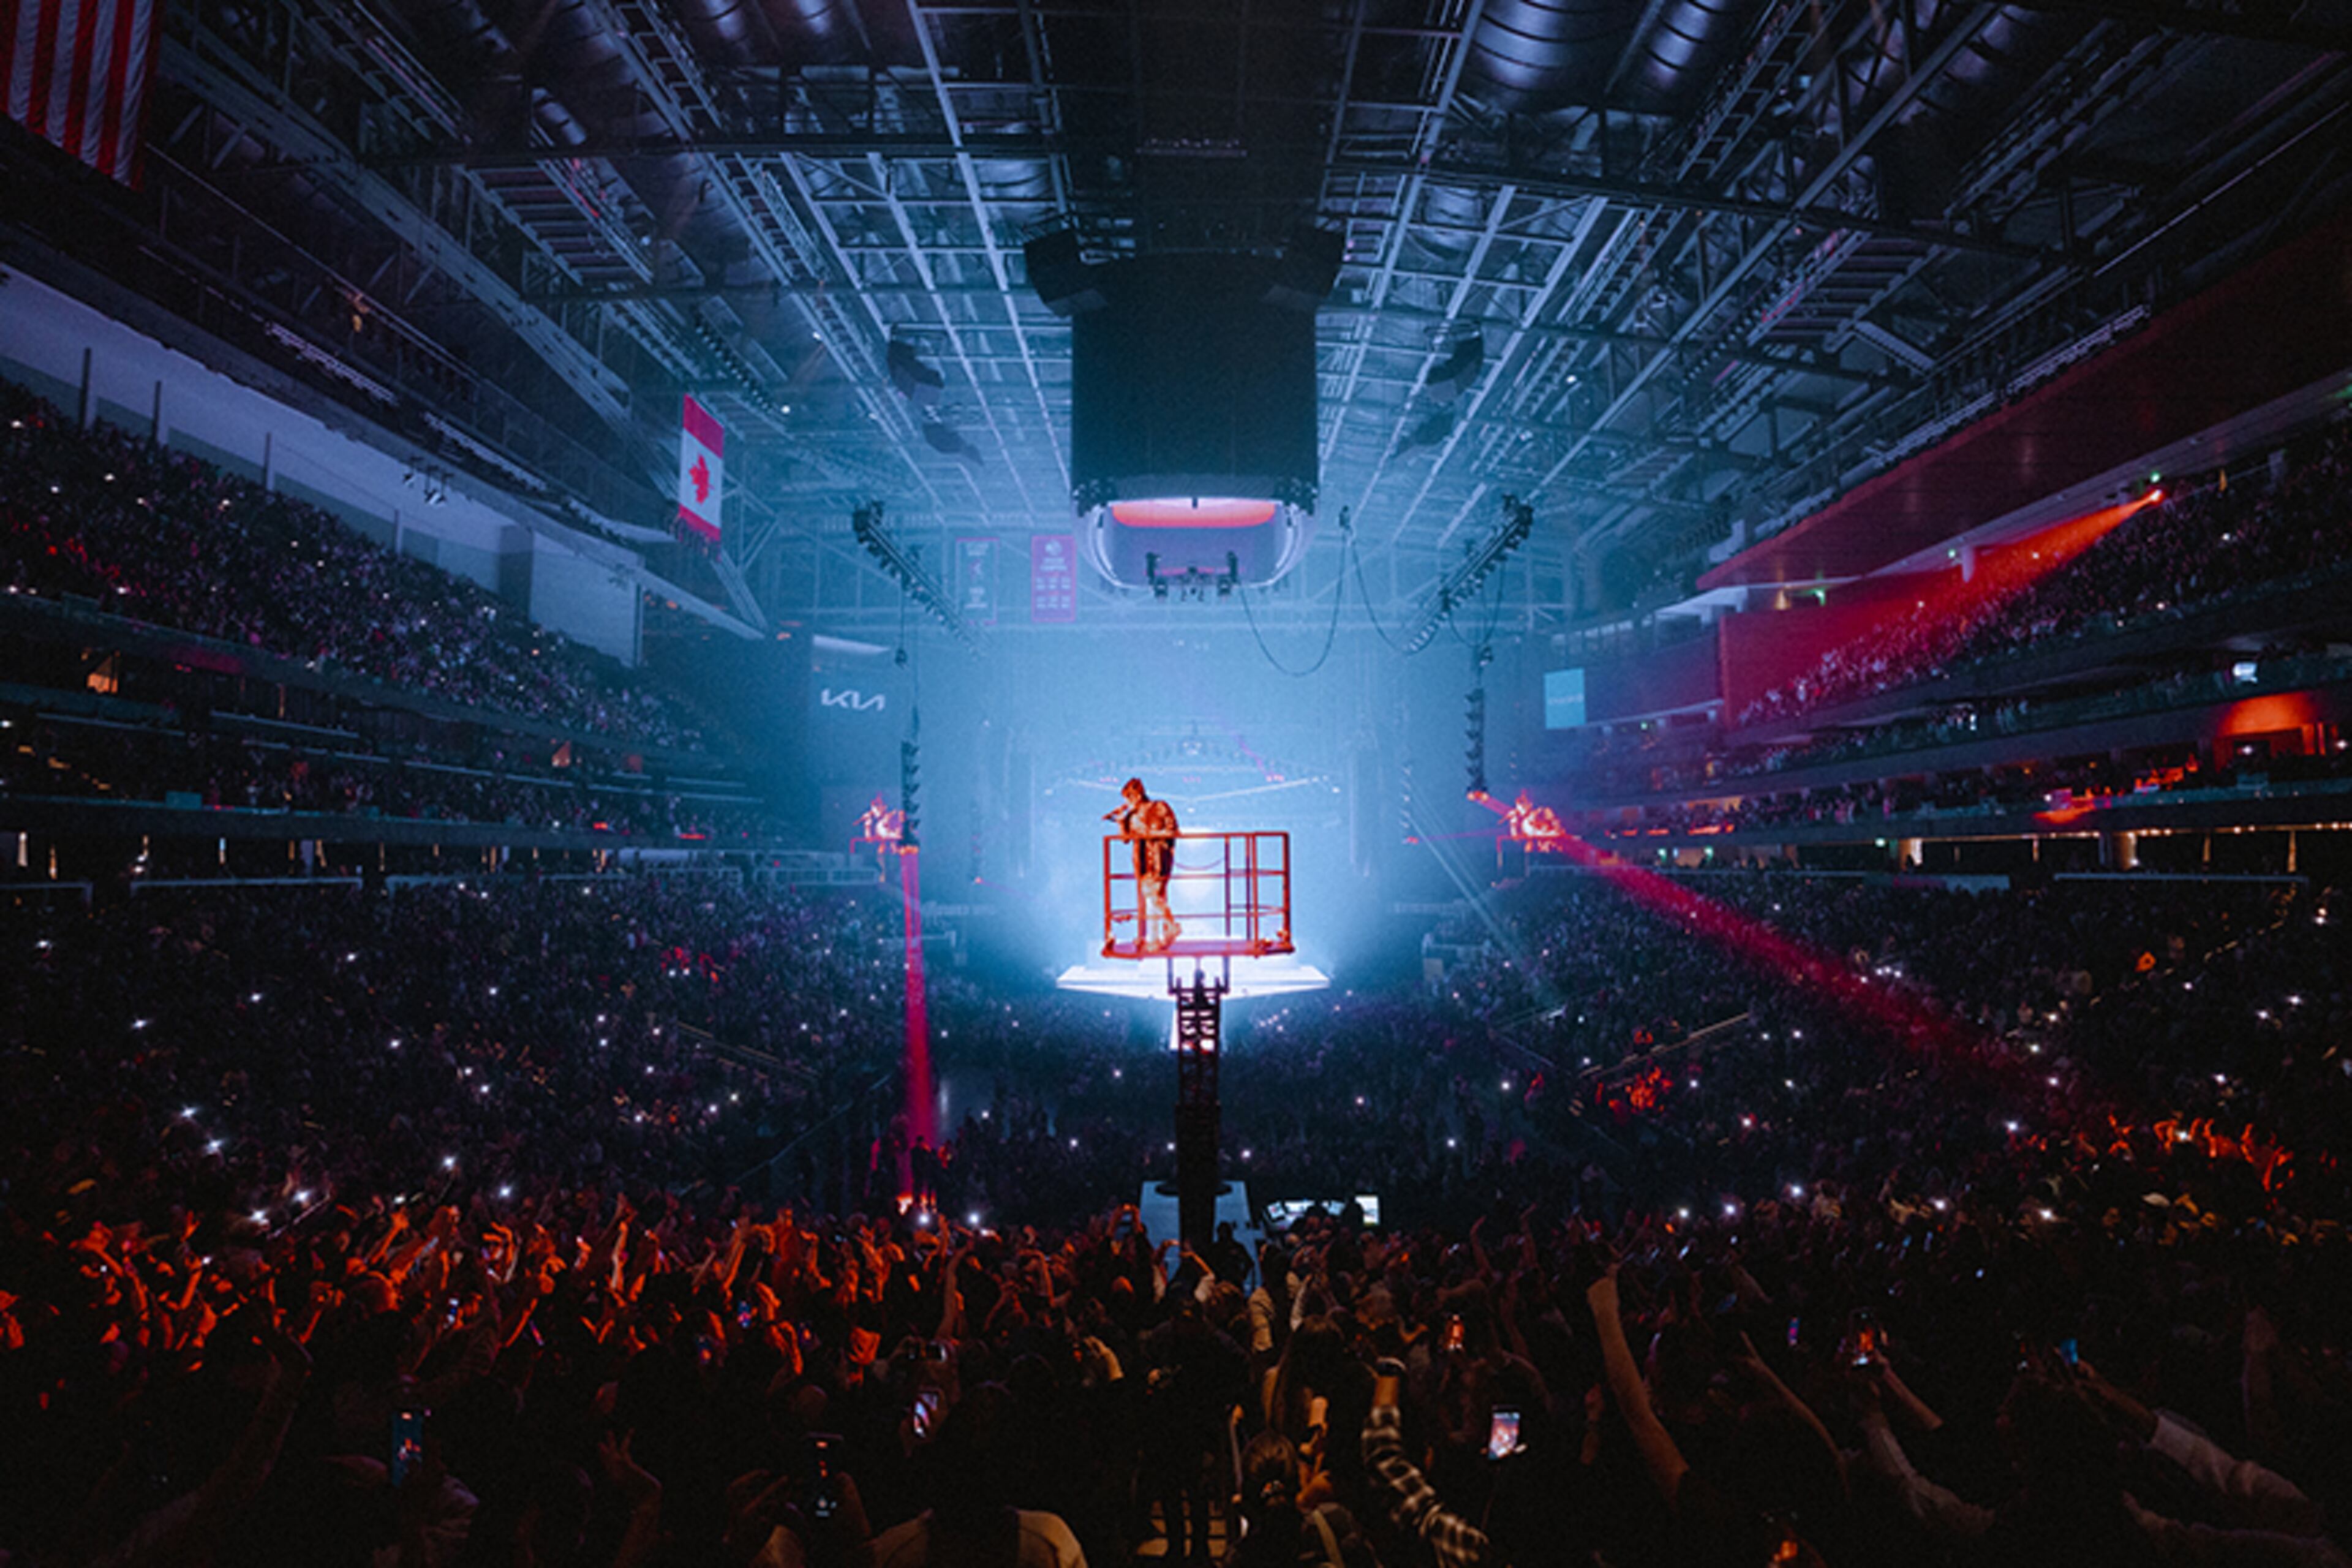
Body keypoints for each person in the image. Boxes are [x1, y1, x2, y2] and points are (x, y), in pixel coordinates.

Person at [1106, 777, 1182, 952]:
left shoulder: (1160, 807)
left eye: (1129, 798)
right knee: (1151, 898)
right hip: (1142, 861)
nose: (1127, 803)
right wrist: (1120, 821)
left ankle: (1170, 926)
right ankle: (1156, 938)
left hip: (1158, 857)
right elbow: (1126, 839)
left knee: (1152, 894)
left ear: (1137, 796)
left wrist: (1151, 834)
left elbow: (1173, 830)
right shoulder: (1132, 816)